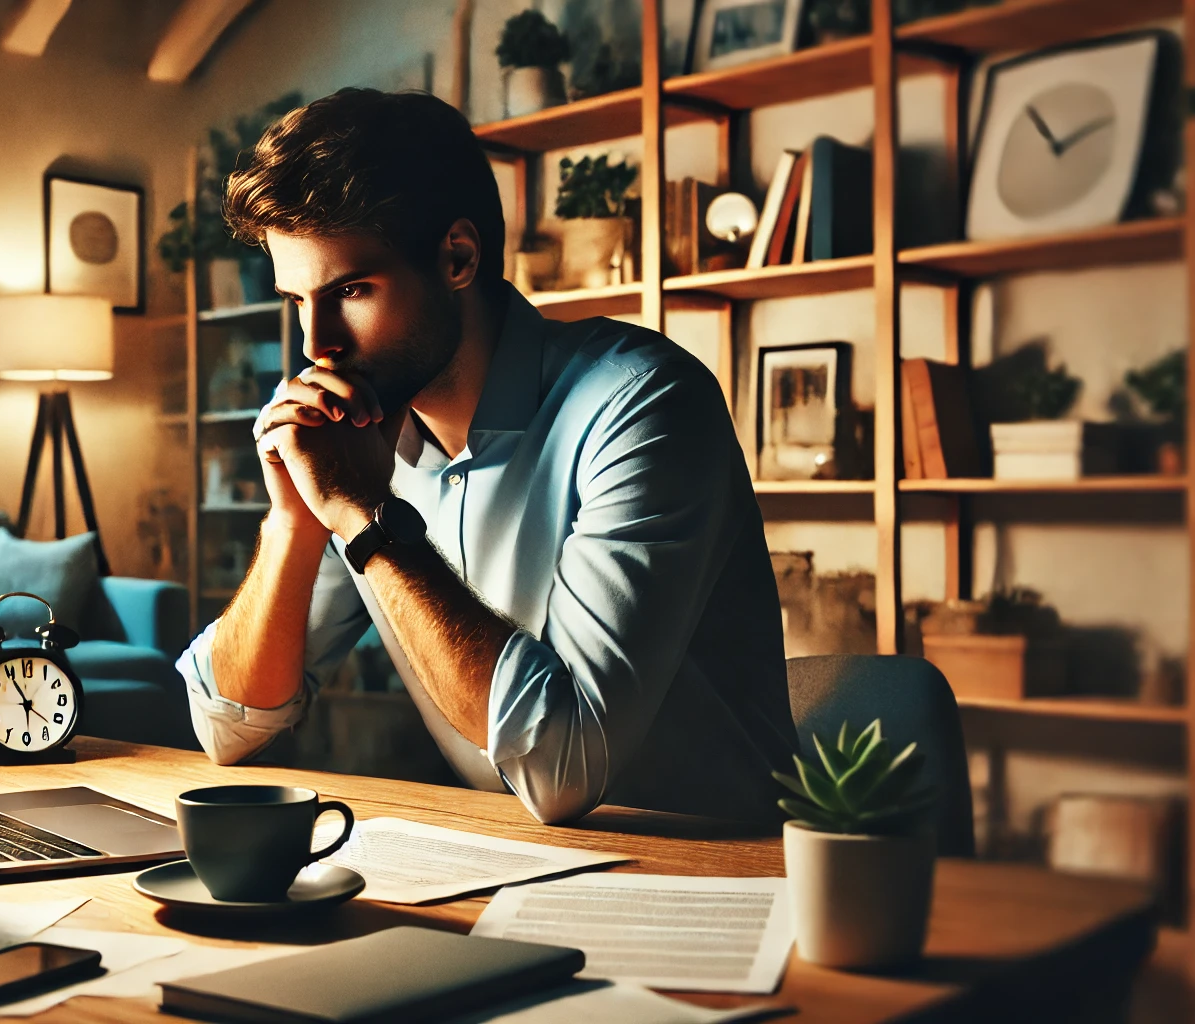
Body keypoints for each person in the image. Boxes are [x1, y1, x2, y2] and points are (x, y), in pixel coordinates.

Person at [175, 88, 798, 826]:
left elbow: (564, 767)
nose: (316, 344)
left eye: (351, 290)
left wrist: (369, 518)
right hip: (516, 864)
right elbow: (231, 725)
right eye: (297, 300)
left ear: (458, 258)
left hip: (720, 877)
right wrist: (294, 522)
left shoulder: (644, 404)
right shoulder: (362, 437)